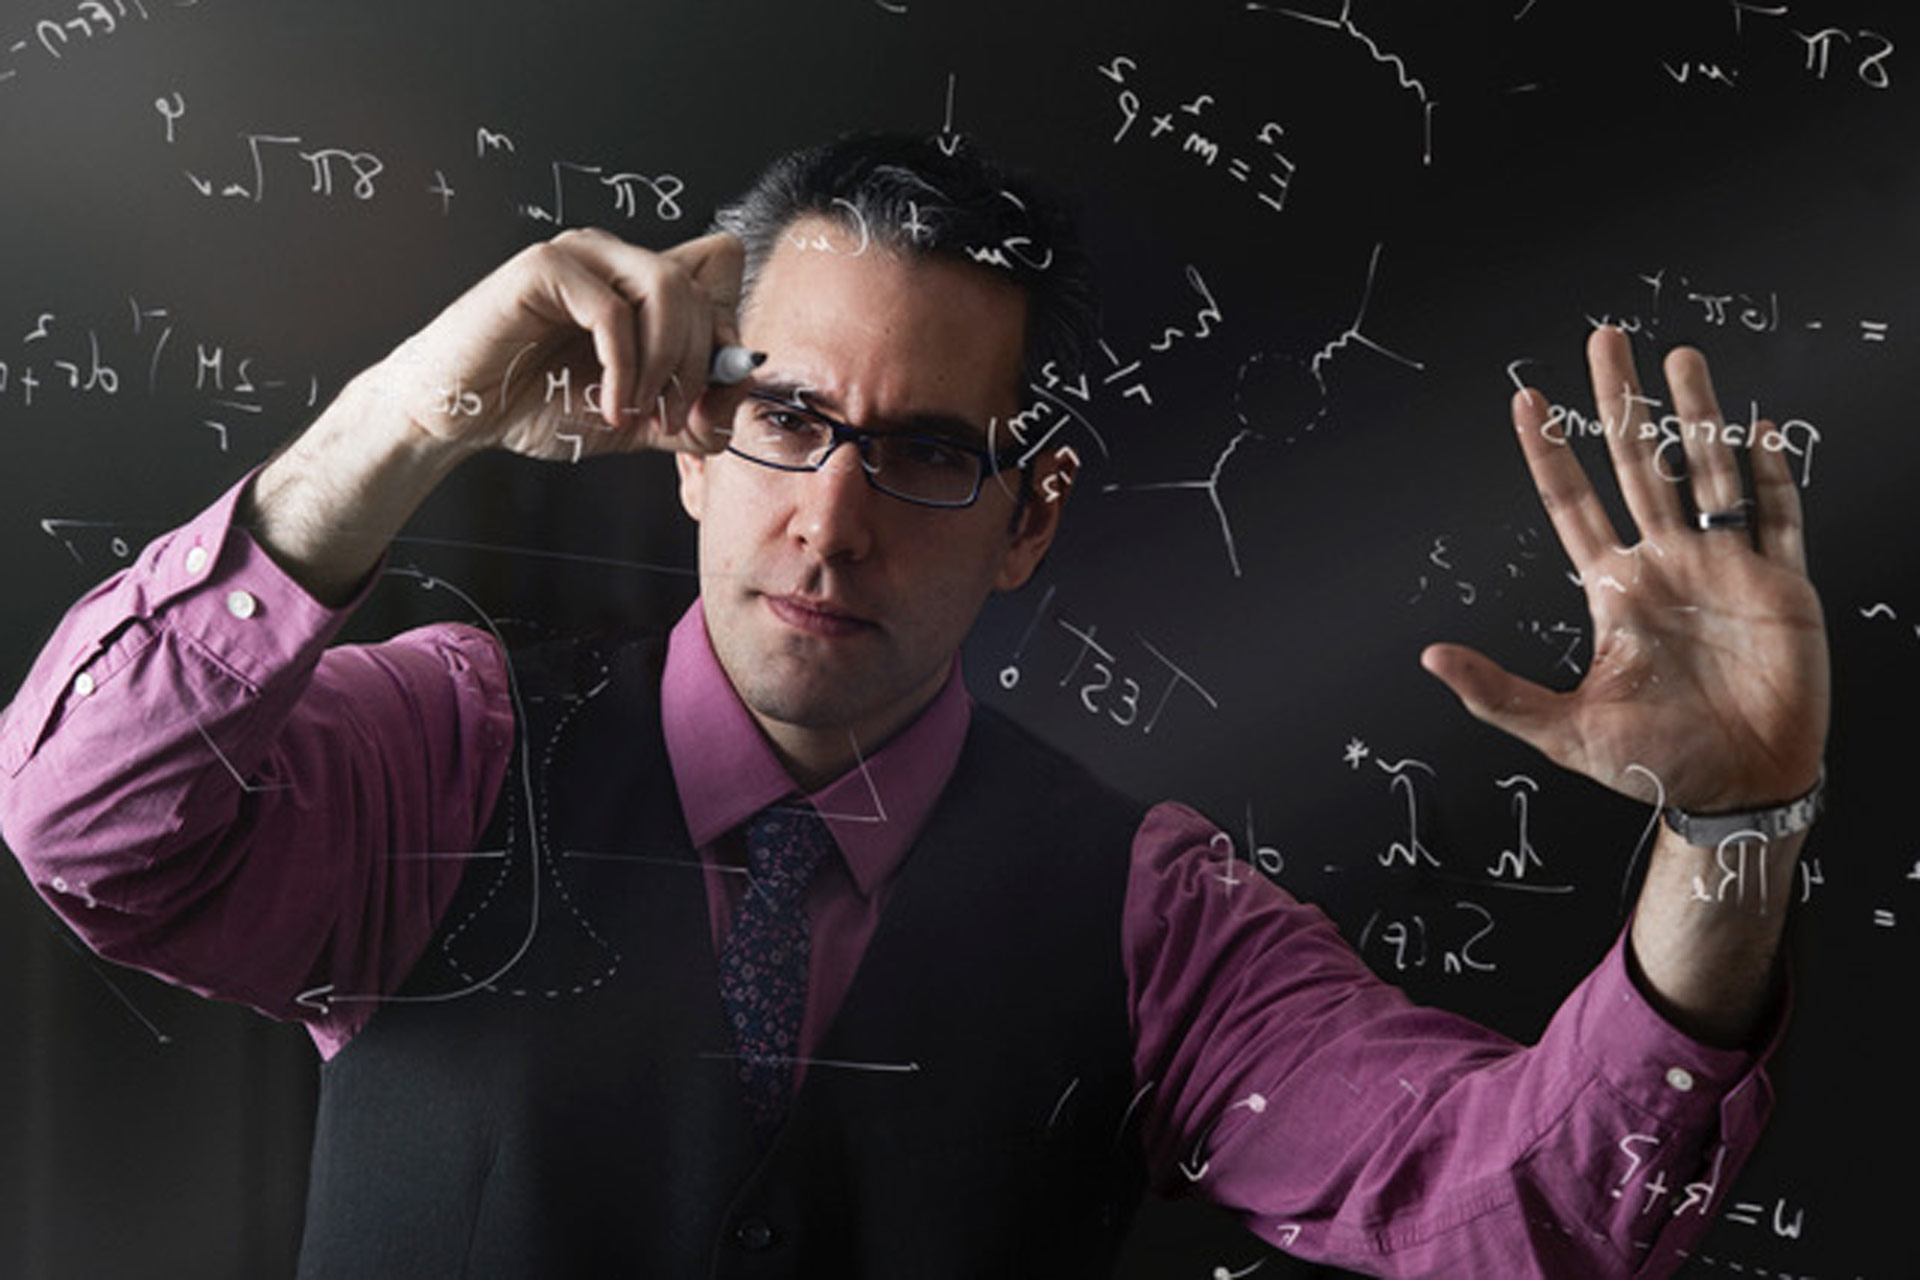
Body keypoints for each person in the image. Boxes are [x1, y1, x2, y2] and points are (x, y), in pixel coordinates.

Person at [0, 134, 1828, 1278]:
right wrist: (412, 414)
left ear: (1031, 519)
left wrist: (1733, 833)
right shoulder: (451, 751)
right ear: (692, 441)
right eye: (788, 418)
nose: (833, 520)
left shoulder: (1152, 921)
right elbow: (86, 821)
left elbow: (1530, 1208)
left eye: (931, 452)